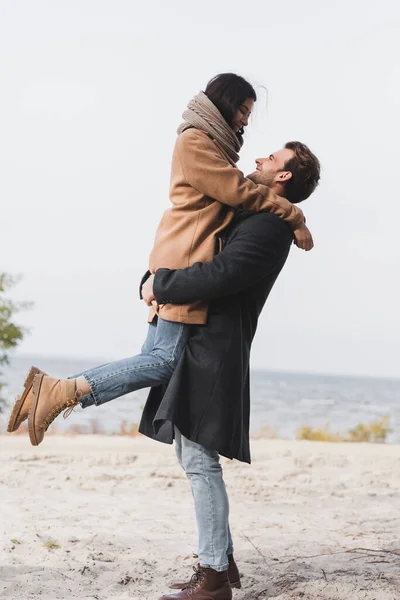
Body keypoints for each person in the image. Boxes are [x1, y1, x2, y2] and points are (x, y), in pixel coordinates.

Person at [7, 74, 311, 446]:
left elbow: (239, 188)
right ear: (227, 105)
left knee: (154, 357)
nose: (247, 121)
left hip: (180, 256)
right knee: (165, 361)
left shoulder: (213, 145)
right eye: (244, 111)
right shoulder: (196, 142)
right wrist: (294, 215)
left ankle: (54, 391)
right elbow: (237, 190)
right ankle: (57, 391)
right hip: (185, 257)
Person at [138, 141, 321, 600]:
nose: (258, 158)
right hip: (202, 341)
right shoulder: (257, 213)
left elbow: (221, 276)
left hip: (216, 351)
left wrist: (161, 283)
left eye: (271, 159)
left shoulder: (267, 226)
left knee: (201, 462)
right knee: (191, 457)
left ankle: (214, 577)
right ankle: (221, 558)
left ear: (282, 177)